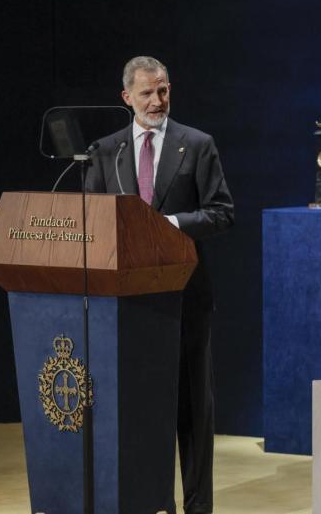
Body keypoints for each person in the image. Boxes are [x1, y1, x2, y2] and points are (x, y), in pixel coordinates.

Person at [86, 56, 234, 513]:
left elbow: (221, 212)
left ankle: (197, 507)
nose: (157, 101)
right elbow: (92, 221)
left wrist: (167, 224)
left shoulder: (197, 144)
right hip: (126, 305)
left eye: (164, 90)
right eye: (147, 93)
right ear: (126, 97)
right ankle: (144, 501)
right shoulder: (104, 152)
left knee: (193, 412)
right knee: (137, 412)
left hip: (186, 299)